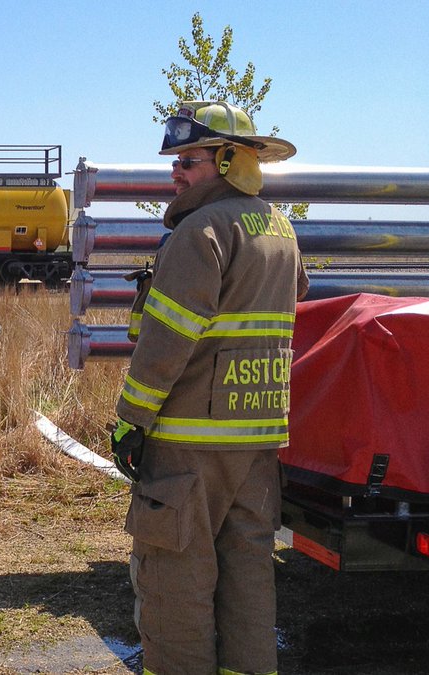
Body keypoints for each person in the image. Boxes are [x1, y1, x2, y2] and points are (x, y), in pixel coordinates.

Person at [111, 101, 310, 675]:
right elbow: (289, 298)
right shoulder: (279, 227)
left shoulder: (200, 231)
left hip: (188, 445)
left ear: (229, 161)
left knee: (174, 573)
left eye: (188, 162)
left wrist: (132, 421)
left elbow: (166, 342)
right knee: (249, 571)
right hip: (257, 440)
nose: (175, 172)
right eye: (176, 162)